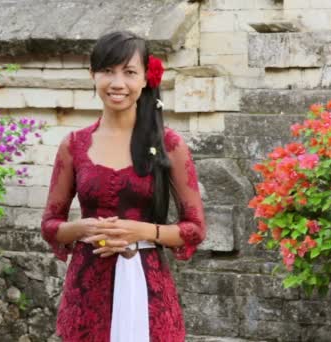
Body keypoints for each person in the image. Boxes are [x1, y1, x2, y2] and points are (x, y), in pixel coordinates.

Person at [40, 30, 206, 342]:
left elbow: (195, 228)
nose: (117, 83)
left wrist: (141, 231)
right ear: (92, 75)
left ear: (145, 78)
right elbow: (50, 225)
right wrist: (84, 229)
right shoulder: (73, 145)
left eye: (129, 72)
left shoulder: (169, 144)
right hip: (87, 293)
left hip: (149, 292)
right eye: (107, 71)